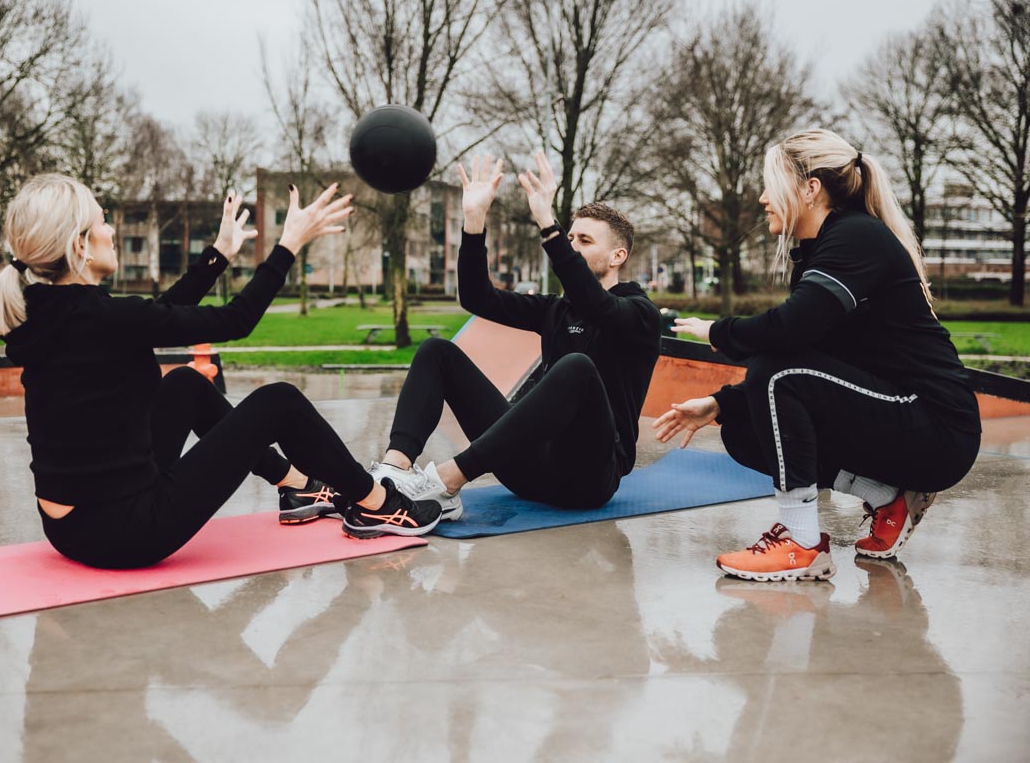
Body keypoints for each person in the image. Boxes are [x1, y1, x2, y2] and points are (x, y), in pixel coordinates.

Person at [0, 173, 443, 568]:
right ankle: (379, 505)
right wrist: (287, 246)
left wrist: (219, 254)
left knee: (186, 383)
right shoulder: (103, 317)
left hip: (68, 528)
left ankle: (298, 486)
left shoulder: (44, 314)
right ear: (80, 246)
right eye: (103, 221)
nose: (111, 230)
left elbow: (157, 316)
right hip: (127, 533)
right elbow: (236, 321)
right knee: (279, 401)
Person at [652, 128, 981, 582]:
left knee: (774, 368)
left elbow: (790, 333)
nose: (764, 199)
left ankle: (800, 542)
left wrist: (718, 332)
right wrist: (721, 404)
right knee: (743, 430)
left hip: (935, 423)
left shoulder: (856, 237)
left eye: (772, 185)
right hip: (895, 413)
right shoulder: (819, 251)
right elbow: (811, 354)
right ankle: (889, 497)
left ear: (810, 189)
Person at [359, 152, 660, 515]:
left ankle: (446, 482)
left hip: (588, 478)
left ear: (617, 257)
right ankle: (393, 472)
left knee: (576, 367)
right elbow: (477, 298)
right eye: (570, 238)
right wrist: (474, 220)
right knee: (437, 351)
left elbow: (599, 305)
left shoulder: (639, 314)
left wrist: (548, 224)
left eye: (585, 241)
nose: (573, 247)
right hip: (529, 470)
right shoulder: (556, 310)